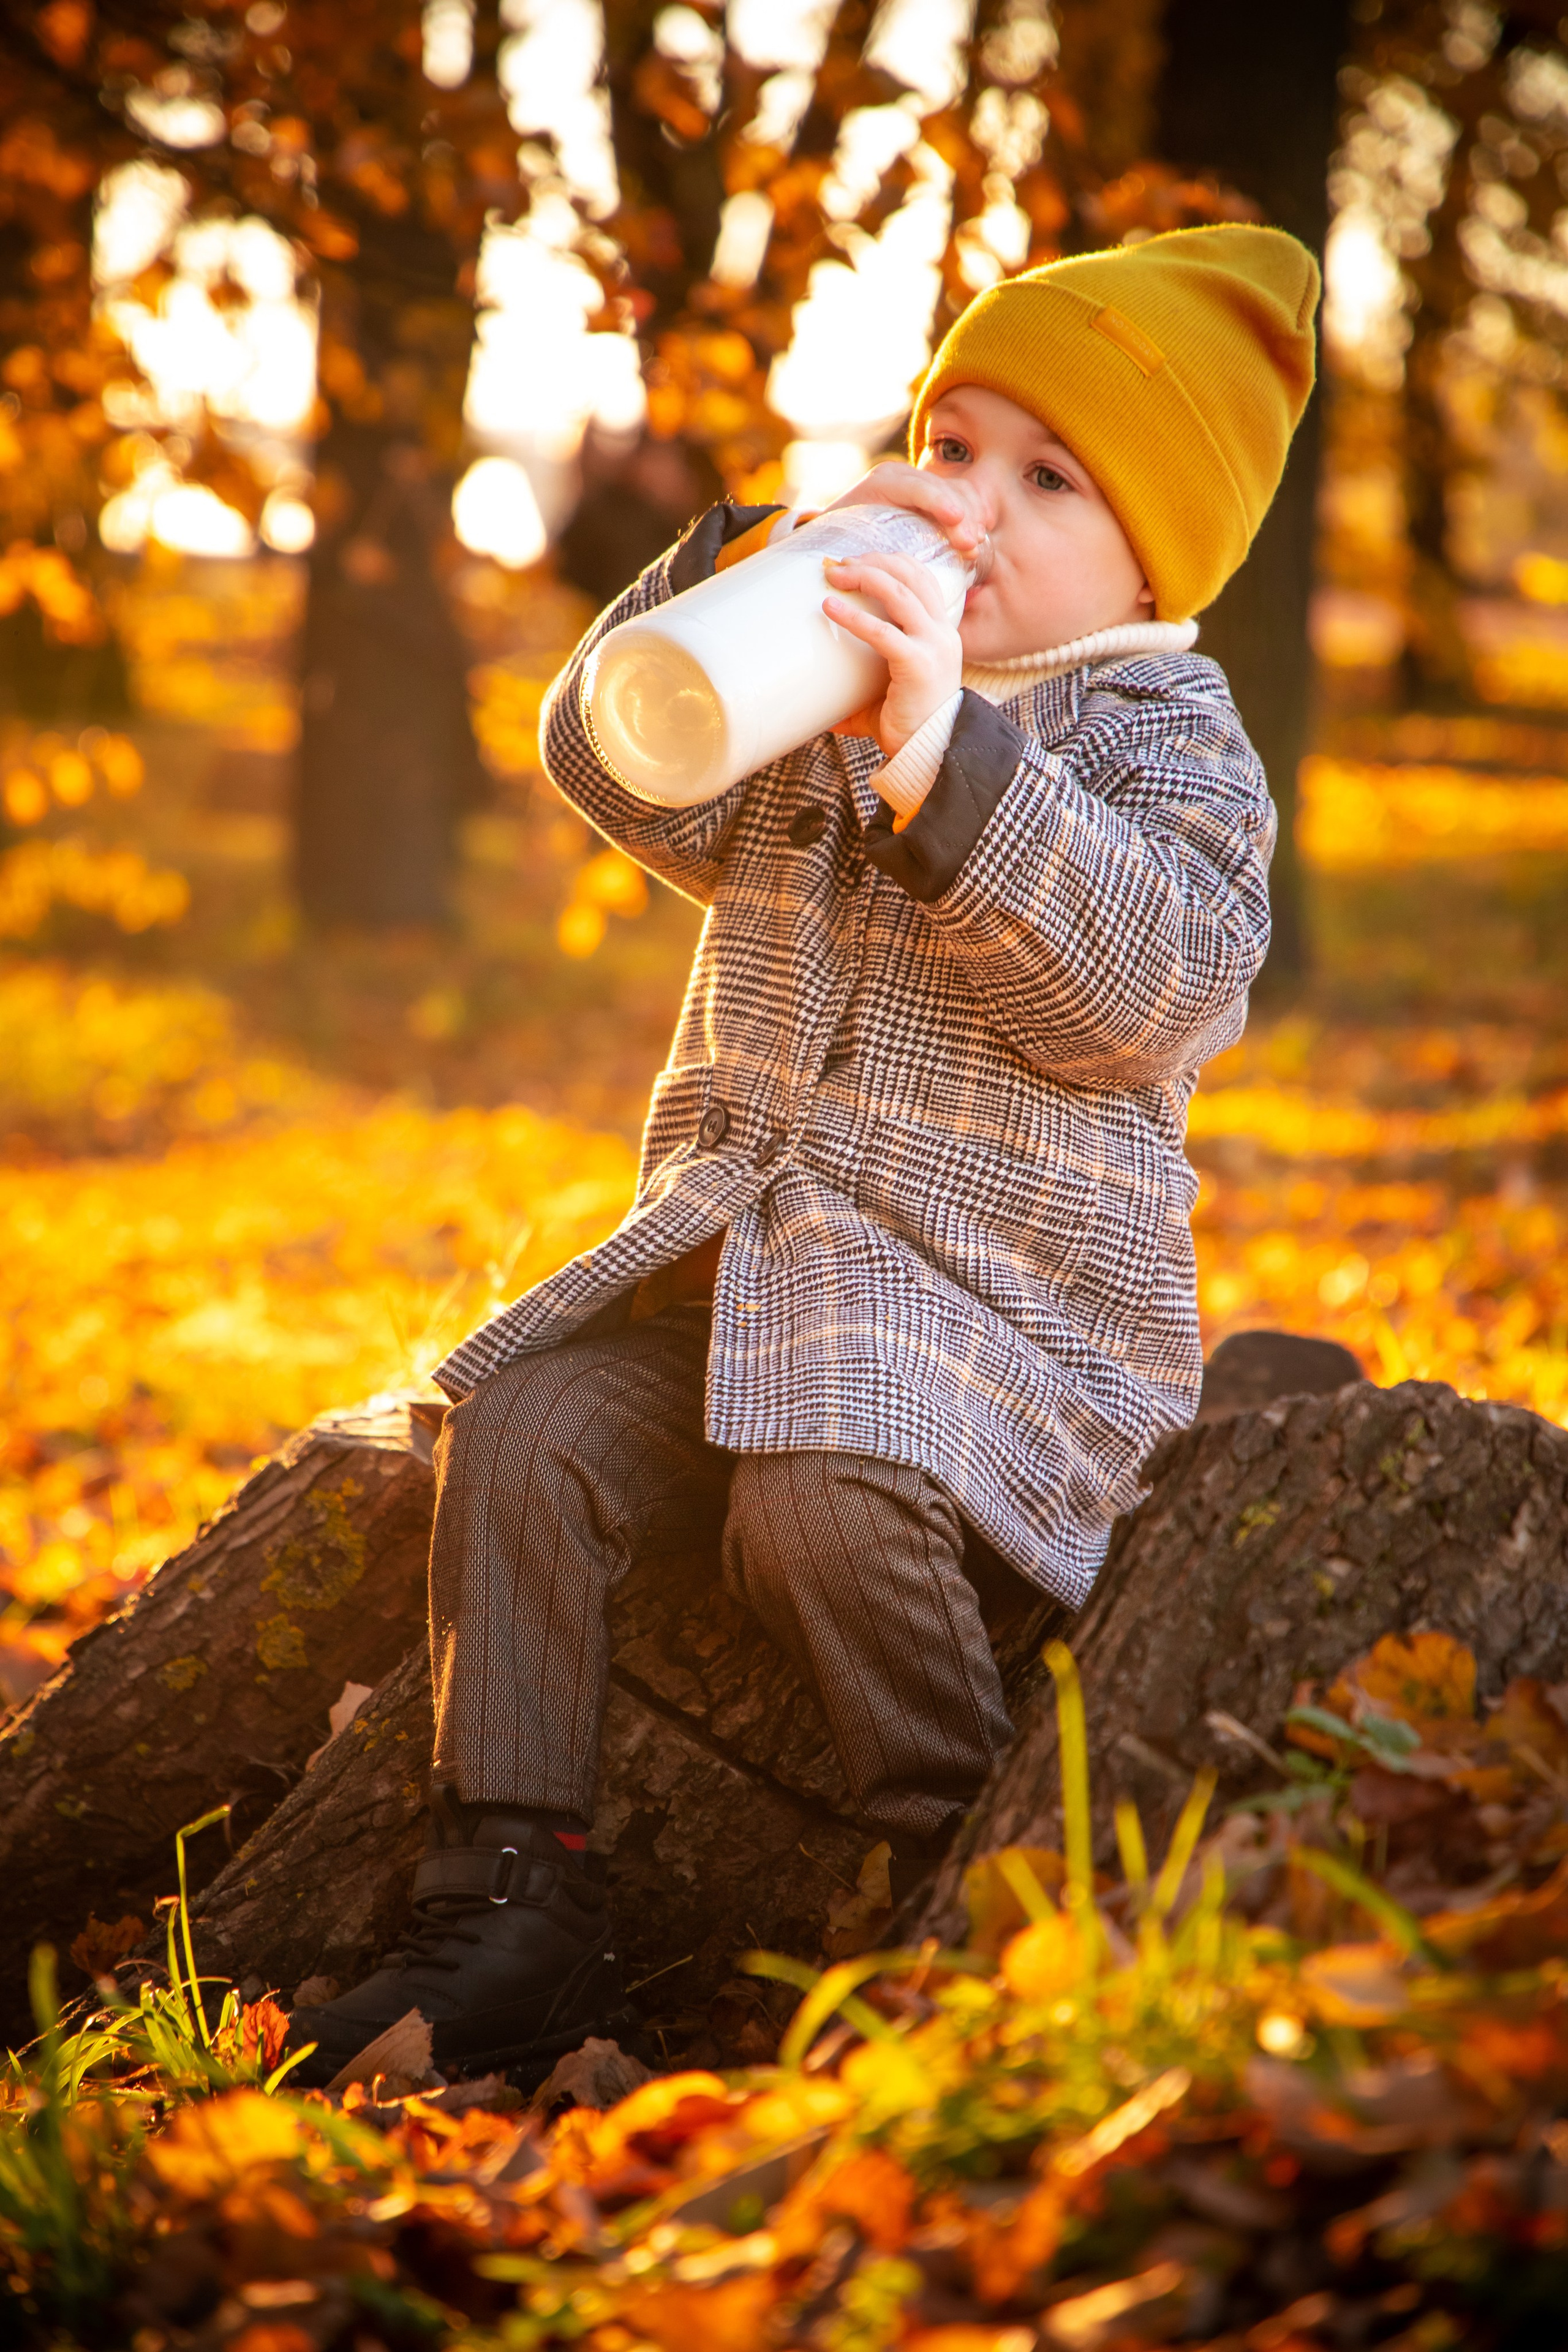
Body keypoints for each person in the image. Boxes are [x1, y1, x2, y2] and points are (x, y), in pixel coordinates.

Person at [290, 222, 1319, 2082]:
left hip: (996, 1338)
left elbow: (1149, 993)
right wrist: (719, 594)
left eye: (1047, 478)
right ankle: (510, 1893)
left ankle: (971, 1872)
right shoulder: (830, 680)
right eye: (947, 440)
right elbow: (624, 772)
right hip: (747, 1286)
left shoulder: (1171, 736)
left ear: (1160, 561)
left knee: (824, 1495)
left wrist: (953, 758)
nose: (969, 507)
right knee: (523, 1441)